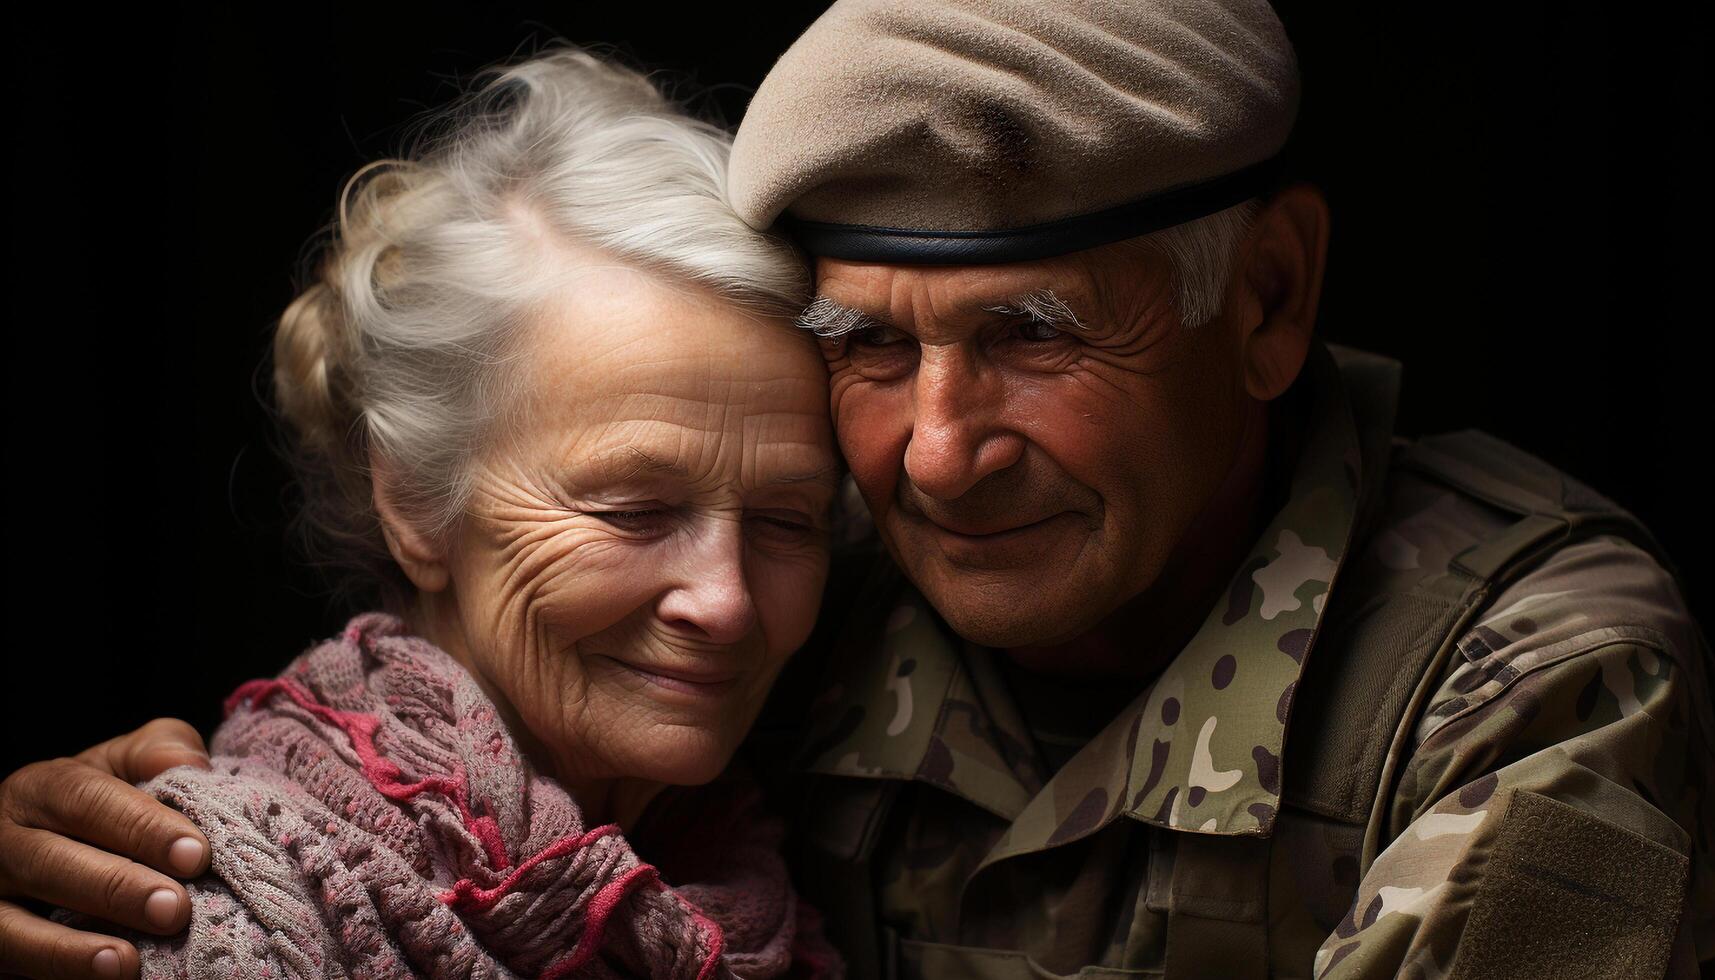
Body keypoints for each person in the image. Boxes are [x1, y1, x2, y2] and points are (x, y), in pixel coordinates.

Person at [4, 1, 1713, 978]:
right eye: (869, 348)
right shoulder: (805, 591)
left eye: (1032, 334)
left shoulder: (1520, 679)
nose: (936, 458)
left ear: (1262, 298)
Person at [0, 46, 843, 979]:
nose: (725, 602)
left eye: (787, 520)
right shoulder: (214, 906)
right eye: (635, 509)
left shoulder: (796, 857)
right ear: (411, 500)